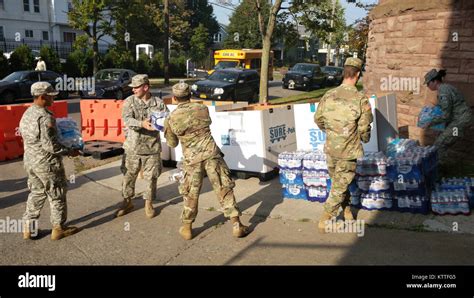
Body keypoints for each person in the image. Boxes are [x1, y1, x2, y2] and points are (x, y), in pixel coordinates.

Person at [164, 82, 250, 240]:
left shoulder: (171, 118)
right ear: (190, 95)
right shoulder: (203, 109)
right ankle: (236, 225)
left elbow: (172, 143)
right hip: (211, 154)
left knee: (191, 193)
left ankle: (187, 227)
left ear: (174, 98)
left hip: (192, 159)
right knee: (224, 188)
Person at [314, 57, 373, 233]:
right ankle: (325, 219)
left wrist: (334, 133)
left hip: (331, 149)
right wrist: (364, 138)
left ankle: (346, 211)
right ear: (357, 74)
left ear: (344, 73)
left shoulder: (328, 95)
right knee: (339, 186)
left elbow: (318, 119)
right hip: (348, 152)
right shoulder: (360, 99)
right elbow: (364, 128)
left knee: (338, 184)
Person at [19, 82, 80, 240]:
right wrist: (70, 151)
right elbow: (51, 146)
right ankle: (58, 228)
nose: (53, 98)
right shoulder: (46, 117)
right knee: (57, 194)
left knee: (37, 192)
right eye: (51, 96)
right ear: (41, 97)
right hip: (47, 164)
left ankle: (29, 228)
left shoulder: (28, 113)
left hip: (31, 162)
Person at [117, 74, 169, 219]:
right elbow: (126, 119)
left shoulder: (158, 103)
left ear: (145, 87)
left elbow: (167, 119)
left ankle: (148, 203)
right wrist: (142, 123)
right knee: (128, 175)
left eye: (136, 87)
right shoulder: (129, 101)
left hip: (151, 148)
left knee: (151, 178)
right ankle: (127, 201)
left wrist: (163, 125)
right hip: (132, 147)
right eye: (132, 88)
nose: (133, 90)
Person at [423, 69, 472, 166]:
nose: (427, 86)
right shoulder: (445, 88)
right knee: (441, 137)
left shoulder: (443, 92)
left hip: (459, 123)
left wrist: (431, 122)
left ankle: (441, 171)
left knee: (440, 144)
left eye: (428, 83)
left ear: (435, 81)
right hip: (458, 120)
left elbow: (445, 115)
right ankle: (442, 165)